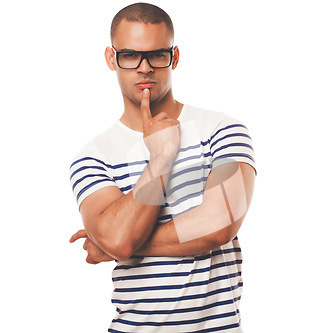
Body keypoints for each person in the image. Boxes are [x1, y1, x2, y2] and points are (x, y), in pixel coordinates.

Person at [68, 3, 256, 332]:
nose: (144, 68)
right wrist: (161, 157)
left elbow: (220, 224)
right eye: (130, 55)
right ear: (112, 58)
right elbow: (118, 238)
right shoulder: (94, 155)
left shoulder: (222, 129)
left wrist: (114, 246)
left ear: (175, 57)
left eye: (157, 55)